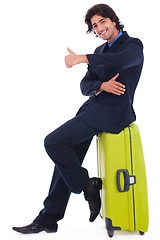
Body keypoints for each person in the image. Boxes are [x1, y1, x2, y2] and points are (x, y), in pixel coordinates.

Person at [12, 3, 144, 234]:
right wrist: (101, 85)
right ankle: (47, 219)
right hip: (91, 110)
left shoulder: (132, 45)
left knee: (53, 142)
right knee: (65, 162)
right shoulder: (101, 52)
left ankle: (87, 186)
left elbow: (123, 61)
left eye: (103, 21)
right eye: (95, 25)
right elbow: (85, 86)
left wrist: (83, 58)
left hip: (113, 113)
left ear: (113, 21)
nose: (100, 28)